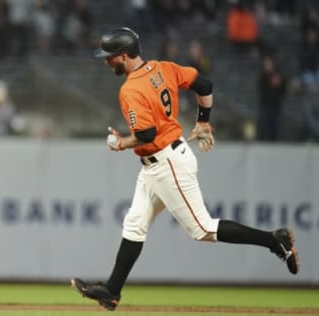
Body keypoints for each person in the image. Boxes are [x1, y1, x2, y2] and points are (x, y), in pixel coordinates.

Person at [70, 27, 299, 311]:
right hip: (162, 160)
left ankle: (275, 241)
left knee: (202, 229)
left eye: (111, 57)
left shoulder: (130, 89)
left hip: (166, 163)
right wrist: (204, 120)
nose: (107, 62)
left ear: (125, 56)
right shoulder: (164, 68)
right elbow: (204, 85)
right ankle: (111, 291)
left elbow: (146, 135)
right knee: (135, 224)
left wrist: (120, 143)